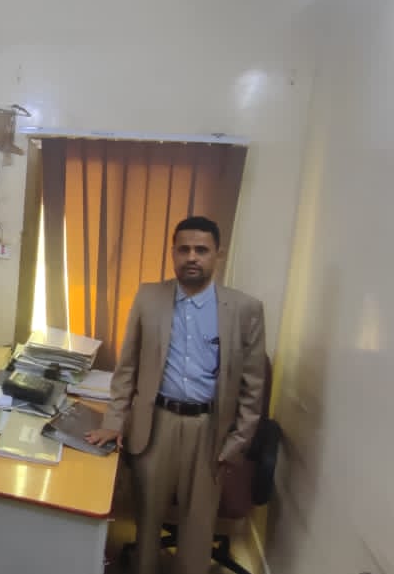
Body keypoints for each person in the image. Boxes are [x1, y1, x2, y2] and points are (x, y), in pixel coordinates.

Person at [85, 216, 266, 574]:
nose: (192, 257)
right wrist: (114, 422)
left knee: (198, 527)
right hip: (156, 424)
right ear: (173, 253)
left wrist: (237, 442)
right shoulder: (148, 297)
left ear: (218, 254)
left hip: (210, 430)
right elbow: (127, 368)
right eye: (184, 249)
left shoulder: (244, 309)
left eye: (201, 250)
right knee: (146, 519)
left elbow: (253, 387)